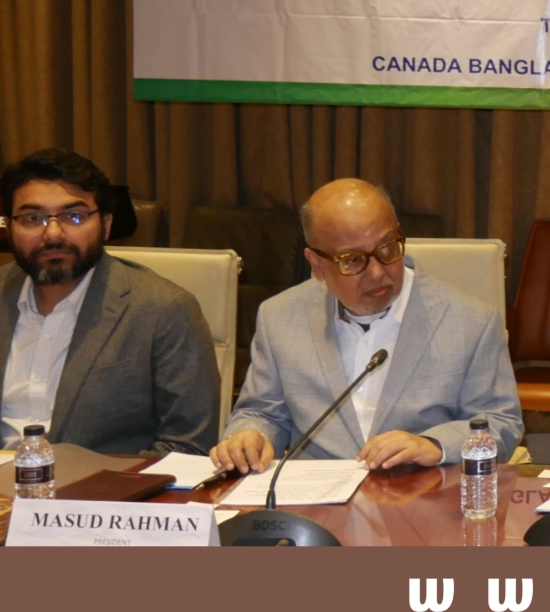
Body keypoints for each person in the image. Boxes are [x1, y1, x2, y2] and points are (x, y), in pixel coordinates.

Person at [211, 179, 522, 472]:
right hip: (316, 500)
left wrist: (434, 445)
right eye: (353, 260)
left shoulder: (470, 320)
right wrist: (249, 436)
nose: (376, 273)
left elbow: (501, 424)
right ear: (317, 264)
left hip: (420, 494)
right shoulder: (279, 317)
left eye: (387, 249)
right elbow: (261, 413)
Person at [0, 149, 219, 455]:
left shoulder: (163, 309)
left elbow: (187, 444)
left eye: (74, 216)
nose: (52, 234)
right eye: (33, 218)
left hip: (107, 484)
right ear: (8, 226)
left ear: (106, 225)